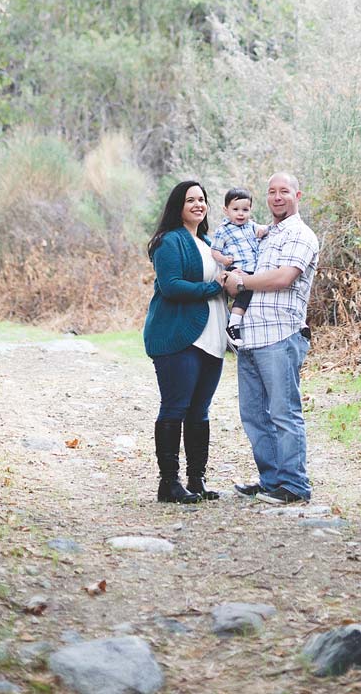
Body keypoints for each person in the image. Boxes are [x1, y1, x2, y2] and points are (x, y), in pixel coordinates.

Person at [222, 171, 319, 504]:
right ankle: (271, 480)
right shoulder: (264, 234)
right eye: (272, 192)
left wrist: (242, 283)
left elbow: (283, 278)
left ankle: (294, 486)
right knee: (254, 415)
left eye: (284, 192)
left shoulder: (301, 236)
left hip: (280, 336)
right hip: (250, 336)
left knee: (283, 412)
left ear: (297, 195)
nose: (277, 197)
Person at [143, 179, 227, 504]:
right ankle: (169, 483)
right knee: (175, 406)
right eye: (190, 199)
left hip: (212, 336)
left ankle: (196, 480)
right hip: (179, 336)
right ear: (178, 205)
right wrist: (214, 287)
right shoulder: (169, 242)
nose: (197, 204)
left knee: (200, 411)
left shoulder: (206, 242)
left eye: (202, 199)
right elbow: (171, 285)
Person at [210, 186, 269, 349]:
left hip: (251, 269)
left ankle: (238, 325)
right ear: (226, 210)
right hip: (235, 268)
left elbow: (263, 229)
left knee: (250, 295)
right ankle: (232, 326)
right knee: (245, 293)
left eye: (245, 209)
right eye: (235, 209)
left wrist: (263, 229)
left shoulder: (251, 225)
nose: (241, 213)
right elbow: (214, 250)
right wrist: (223, 259)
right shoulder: (223, 230)